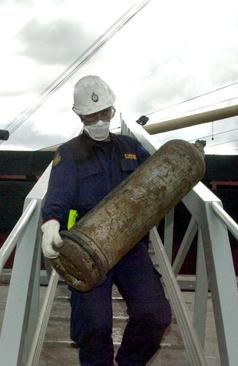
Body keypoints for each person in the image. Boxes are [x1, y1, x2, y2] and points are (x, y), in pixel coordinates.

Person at [40, 75, 171, 365]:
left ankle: (129, 362)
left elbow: (159, 176)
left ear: (113, 111)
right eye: (92, 115)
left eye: (105, 113)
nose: (100, 120)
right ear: (80, 115)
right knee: (94, 326)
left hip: (130, 247)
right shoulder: (69, 153)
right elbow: (59, 192)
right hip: (88, 247)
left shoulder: (131, 147)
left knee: (155, 314)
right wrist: (50, 221)